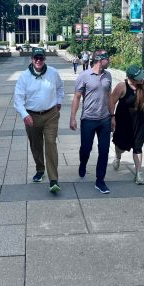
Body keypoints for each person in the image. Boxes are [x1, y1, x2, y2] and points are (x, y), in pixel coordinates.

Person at [14, 47, 64, 193]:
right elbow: (18, 99)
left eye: (41, 58)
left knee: (50, 143)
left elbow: (60, 88)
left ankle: (53, 180)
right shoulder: (24, 77)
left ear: (44, 59)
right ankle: (40, 169)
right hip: (32, 116)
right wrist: (24, 114)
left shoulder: (53, 73)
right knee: (36, 145)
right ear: (31, 59)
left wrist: (59, 101)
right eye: (35, 58)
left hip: (51, 114)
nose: (38, 60)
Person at [70, 49, 113, 194]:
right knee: (86, 149)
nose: (109, 60)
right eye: (107, 58)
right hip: (88, 119)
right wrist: (72, 118)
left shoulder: (108, 76)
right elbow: (76, 97)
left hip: (105, 119)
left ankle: (100, 180)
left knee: (104, 151)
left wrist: (113, 116)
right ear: (100, 60)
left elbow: (109, 96)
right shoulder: (84, 76)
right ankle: (83, 163)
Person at [110, 65, 144, 185]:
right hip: (123, 121)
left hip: (139, 120)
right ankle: (118, 156)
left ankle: (138, 174)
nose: (141, 79)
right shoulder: (122, 86)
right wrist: (112, 117)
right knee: (121, 146)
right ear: (131, 78)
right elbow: (112, 102)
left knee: (138, 147)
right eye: (138, 78)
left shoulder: (143, 84)